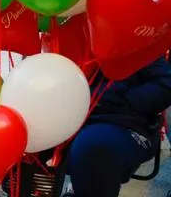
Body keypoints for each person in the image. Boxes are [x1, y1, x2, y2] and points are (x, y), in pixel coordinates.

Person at [62, 56, 171, 197]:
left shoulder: (135, 43)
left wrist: (124, 100)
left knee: (94, 146)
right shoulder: (58, 40)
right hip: (66, 117)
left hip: (120, 122)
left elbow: (165, 84)